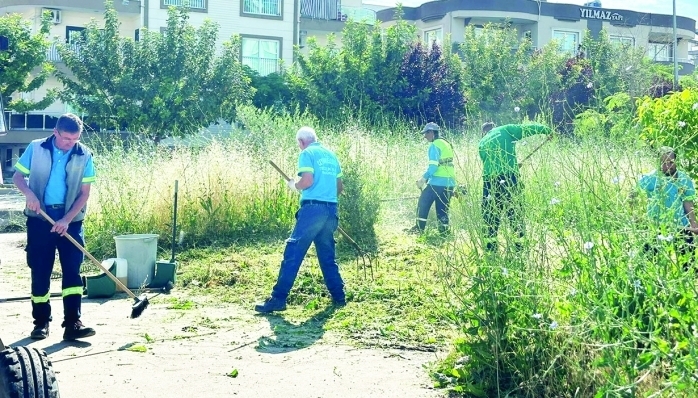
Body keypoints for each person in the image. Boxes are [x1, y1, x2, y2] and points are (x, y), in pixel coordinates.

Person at [12, 113, 97, 340]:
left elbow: (84, 194)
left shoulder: (84, 154)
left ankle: (73, 324)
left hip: (71, 220)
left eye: (75, 139)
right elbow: (18, 178)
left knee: (72, 272)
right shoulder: (36, 147)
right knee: (40, 271)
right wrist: (29, 193)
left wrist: (66, 220)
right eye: (67, 139)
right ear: (55, 132)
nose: (71, 143)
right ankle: (41, 323)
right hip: (40, 218)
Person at [255, 126, 346, 313]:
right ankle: (339, 297)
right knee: (327, 256)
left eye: (299, 144)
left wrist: (294, 185)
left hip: (312, 210)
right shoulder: (331, 155)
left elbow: (307, 181)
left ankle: (278, 299)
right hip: (331, 209)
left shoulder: (307, 153)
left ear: (301, 142)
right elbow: (339, 187)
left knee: (293, 253)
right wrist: (326, 200)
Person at [478, 122, 552, 252]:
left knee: (490, 216)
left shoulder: (482, 142)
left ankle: (491, 249)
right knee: (515, 212)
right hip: (508, 178)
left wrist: (511, 165)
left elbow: (490, 163)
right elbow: (527, 129)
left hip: (489, 182)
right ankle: (519, 248)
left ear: (484, 132)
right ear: (494, 127)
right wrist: (547, 130)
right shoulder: (505, 129)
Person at [635, 146, 698, 268]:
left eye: (671, 162)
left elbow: (688, 202)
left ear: (676, 161)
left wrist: (693, 224)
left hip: (680, 225)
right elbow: (633, 195)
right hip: (656, 225)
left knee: (689, 264)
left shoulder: (684, 179)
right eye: (664, 162)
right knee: (649, 263)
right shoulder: (650, 178)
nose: (668, 166)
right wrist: (636, 215)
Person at [408, 122, 457, 234]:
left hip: (437, 181)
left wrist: (423, 180)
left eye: (426, 133)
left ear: (431, 132)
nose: (424, 136)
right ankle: (443, 231)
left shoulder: (434, 145)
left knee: (423, 202)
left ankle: (419, 229)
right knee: (442, 208)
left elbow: (433, 167)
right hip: (450, 182)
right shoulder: (446, 143)